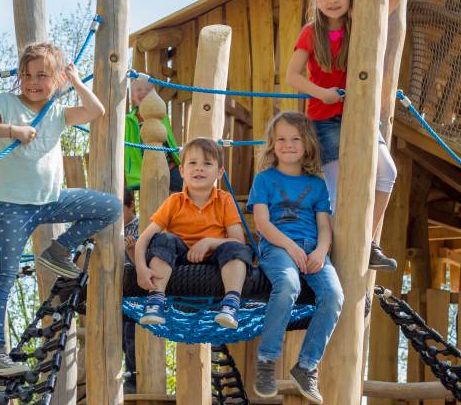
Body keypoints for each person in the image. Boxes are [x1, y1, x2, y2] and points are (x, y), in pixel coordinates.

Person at [0, 42, 121, 376]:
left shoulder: (56, 110)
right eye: (27, 75)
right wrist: (11, 130)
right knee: (3, 275)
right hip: (13, 207)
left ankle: (59, 249)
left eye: (43, 75)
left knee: (108, 206)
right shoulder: (7, 103)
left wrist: (77, 82)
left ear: (57, 79)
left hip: (51, 200)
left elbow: (96, 111)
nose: (33, 81)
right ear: (20, 77)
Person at [285, 0, 404, 272]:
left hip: (359, 114)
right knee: (336, 190)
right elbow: (294, 75)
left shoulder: (360, 22)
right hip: (325, 117)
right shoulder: (312, 32)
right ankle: (334, 253)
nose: (332, 0)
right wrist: (323, 93)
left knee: (386, 172)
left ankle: (366, 242)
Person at [247, 111, 343, 403]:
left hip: (312, 249)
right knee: (289, 284)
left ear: (307, 144)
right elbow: (262, 224)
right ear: (272, 144)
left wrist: (320, 251)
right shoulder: (264, 180)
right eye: (281, 139)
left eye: (295, 139)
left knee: (334, 295)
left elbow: (325, 226)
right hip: (277, 247)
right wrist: (290, 246)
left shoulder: (316, 184)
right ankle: (266, 360)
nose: (288, 145)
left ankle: (306, 365)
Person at [134, 137, 252, 329]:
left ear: (220, 172)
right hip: (178, 259)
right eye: (192, 163)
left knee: (237, 249)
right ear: (182, 171)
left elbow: (238, 241)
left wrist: (208, 242)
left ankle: (231, 304)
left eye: (207, 163)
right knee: (163, 239)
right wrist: (141, 268)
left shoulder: (225, 200)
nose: (199, 168)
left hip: (216, 259)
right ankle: (156, 300)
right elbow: (144, 239)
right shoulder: (174, 202)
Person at [125, 78, 183, 193]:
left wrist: (177, 154)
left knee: (180, 191)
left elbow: (167, 137)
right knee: (153, 198)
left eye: (148, 89)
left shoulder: (161, 115)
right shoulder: (129, 120)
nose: (143, 92)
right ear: (132, 96)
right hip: (146, 170)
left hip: (169, 165)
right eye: (139, 90)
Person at [122, 186, 138, 394]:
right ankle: (126, 376)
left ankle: (134, 379)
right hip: (119, 292)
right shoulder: (110, 229)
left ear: (131, 205)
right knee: (120, 337)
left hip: (137, 292)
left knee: (131, 335)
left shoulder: (140, 227)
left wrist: (131, 249)